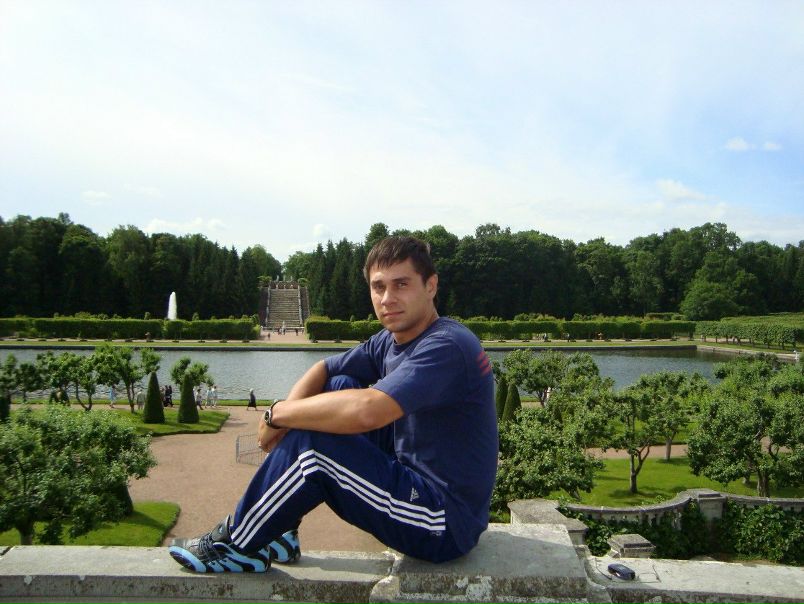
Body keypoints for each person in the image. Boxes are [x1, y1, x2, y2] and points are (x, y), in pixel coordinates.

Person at [169, 236, 497, 573]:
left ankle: (237, 544)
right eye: (378, 287)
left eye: (401, 284)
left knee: (315, 445)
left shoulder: (447, 345)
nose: (387, 298)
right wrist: (287, 412)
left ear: (431, 286)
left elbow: (368, 411)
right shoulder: (391, 340)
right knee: (338, 386)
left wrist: (276, 414)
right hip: (413, 477)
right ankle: (279, 530)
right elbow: (324, 368)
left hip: (442, 521)